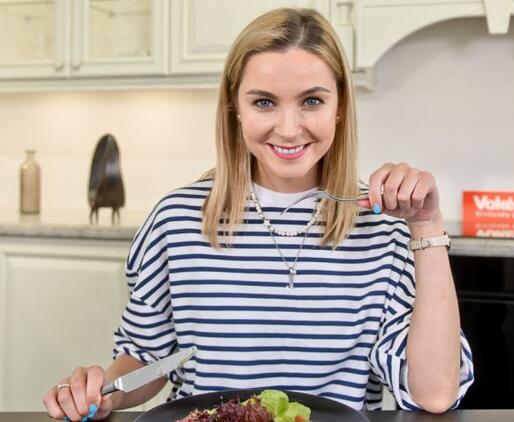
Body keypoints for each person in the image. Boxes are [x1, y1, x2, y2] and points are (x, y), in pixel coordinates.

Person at [43, 8, 473, 421]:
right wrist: (100, 392)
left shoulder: (384, 228)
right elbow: (146, 360)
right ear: (235, 107)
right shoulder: (176, 219)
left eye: (311, 100)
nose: (288, 128)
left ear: (340, 105)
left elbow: (434, 394)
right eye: (264, 102)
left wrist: (425, 225)